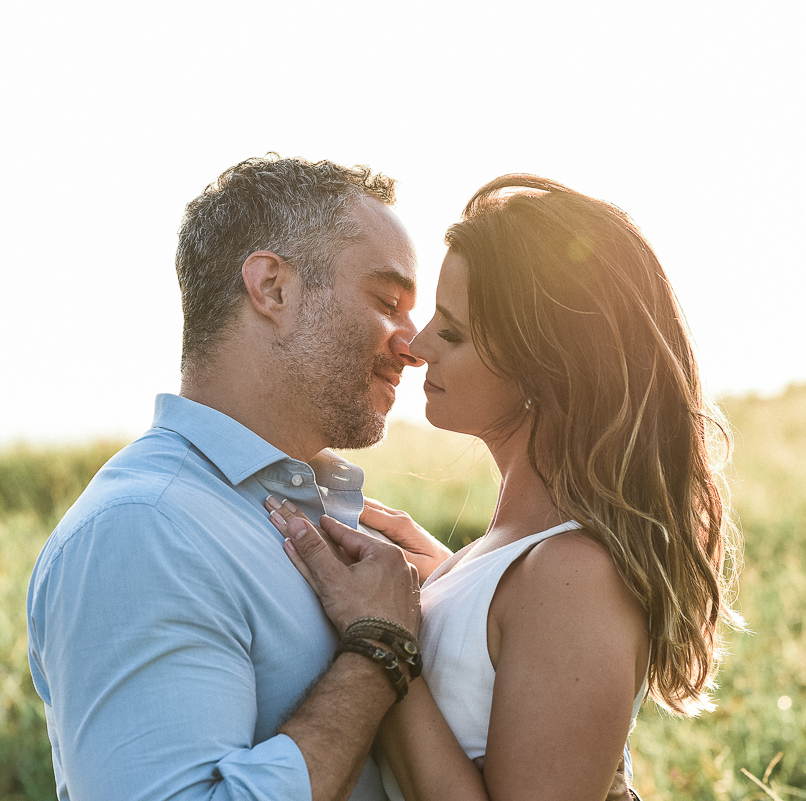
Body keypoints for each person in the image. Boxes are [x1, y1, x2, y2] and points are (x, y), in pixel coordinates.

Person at [268, 175, 743, 801]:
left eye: (455, 332)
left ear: (544, 369)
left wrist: (385, 642)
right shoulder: (520, 560)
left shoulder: (576, 576)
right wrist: (448, 589)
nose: (416, 345)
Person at [26, 155, 425, 801]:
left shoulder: (321, 512)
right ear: (272, 287)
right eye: (387, 301)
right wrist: (380, 653)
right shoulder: (144, 528)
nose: (415, 342)